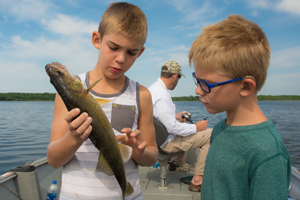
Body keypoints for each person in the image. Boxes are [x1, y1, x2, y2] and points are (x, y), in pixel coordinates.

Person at [47, 2, 158, 200]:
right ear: (97, 39)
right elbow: (54, 160)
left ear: (140, 52)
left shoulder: (142, 95)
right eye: (113, 47)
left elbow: (152, 157)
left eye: (131, 52)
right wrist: (74, 137)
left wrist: (137, 151)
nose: (121, 59)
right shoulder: (65, 93)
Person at [188, 15, 291, 200]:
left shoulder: (268, 154)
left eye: (207, 84)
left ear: (245, 87)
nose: (197, 90)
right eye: (198, 80)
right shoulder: (220, 128)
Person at [148, 60, 212, 192]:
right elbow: (172, 128)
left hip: (157, 139)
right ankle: (197, 180)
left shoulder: (154, 89)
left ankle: (175, 164)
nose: (177, 82)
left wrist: (177, 116)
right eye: (178, 79)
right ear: (175, 76)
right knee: (209, 134)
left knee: (184, 129)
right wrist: (197, 127)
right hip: (166, 144)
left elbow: (160, 117)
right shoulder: (162, 95)